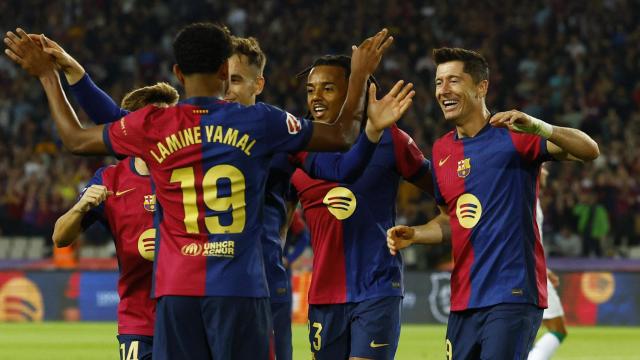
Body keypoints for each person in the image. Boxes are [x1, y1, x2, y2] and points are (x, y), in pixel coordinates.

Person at [5, 24, 414, 359]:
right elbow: (343, 139)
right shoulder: (264, 124)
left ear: (177, 73)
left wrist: (48, 75)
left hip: (178, 290)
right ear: (223, 70)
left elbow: (79, 138)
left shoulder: (153, 125)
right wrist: (359, 75)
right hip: (241, 288)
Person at [386, 47, 599, 359]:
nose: (443, 89)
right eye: (438, 82)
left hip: (512, 294)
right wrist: (417, 234)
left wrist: (540, 127)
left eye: (454, 81)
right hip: (463, 300)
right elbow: (451, 220)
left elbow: (589, 150)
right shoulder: (443, 149)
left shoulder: (513, 133)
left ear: (480, 87)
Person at [290, 55, 433, 360]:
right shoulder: (298, 149)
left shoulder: (392, 140)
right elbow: (280, 220)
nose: (316, 96)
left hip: (377, 287)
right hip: (324, 295)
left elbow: (445, 190)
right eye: (311, 89)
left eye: (328, 88)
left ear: (355, 92)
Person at [52, 82, 179, 360]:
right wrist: (81, 207)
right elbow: (60, 237)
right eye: (155, 122)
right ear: (133, 130)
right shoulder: (111, 179)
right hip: (139, 319)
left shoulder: (191, 172)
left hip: (189, 316)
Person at [528, 166, 569, 360]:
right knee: (557, 329)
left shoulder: (530, 197)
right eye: (543, 168)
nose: (547, 172)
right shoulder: (527, 199)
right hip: (532, 273)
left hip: (535, 269)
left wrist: (546, 268)